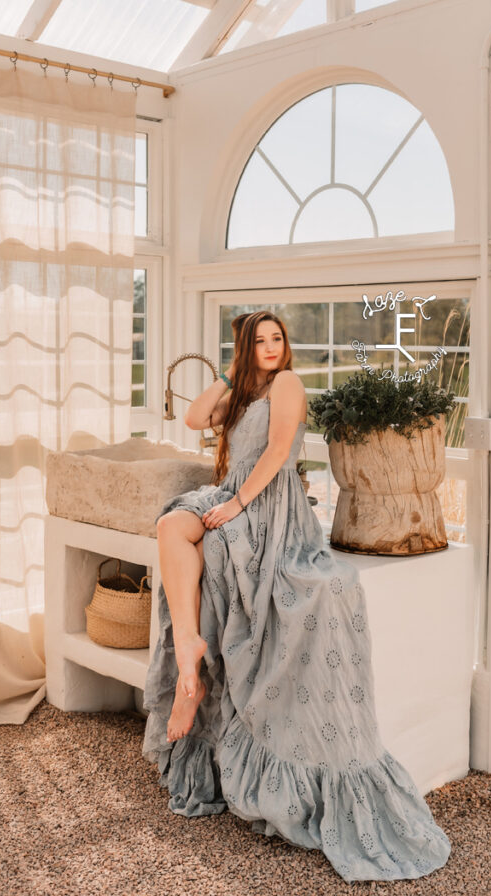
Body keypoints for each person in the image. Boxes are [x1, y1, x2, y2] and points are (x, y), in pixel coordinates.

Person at [142, 311, 451, 882]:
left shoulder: (288, 384)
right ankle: (189, 649)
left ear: (286, 346)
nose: (269, 347)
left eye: (275, 338)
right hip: (228, 495)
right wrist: (231, 375)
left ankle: (198, 660)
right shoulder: (243, 388)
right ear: (244, 347)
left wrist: (236, 508)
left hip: (270, 510)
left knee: (216, 549)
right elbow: (192, 417)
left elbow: (279, 451)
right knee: (171, 528)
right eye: (257, 341)